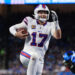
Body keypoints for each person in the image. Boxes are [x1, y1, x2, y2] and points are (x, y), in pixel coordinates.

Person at [9, 4, 61, 75]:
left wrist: (56, 23)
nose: (43, 14)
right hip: (26, 55)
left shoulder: (51, 25)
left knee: (37, 68)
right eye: (41, 12)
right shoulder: (29, 21)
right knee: (35, 56)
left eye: (45, 12)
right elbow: (11, 28)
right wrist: (16, 34)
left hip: (40, 59)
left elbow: (58, 36)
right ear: (36, 12)